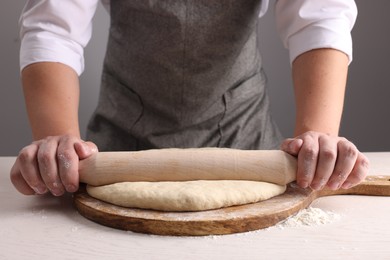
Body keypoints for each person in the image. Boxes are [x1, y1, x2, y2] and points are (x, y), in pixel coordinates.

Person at [10, 0, 369, 197]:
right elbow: (53, 29)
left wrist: (317, 137)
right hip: (118, 151)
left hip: (245, 141)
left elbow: (319, 17)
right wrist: (57, 140)